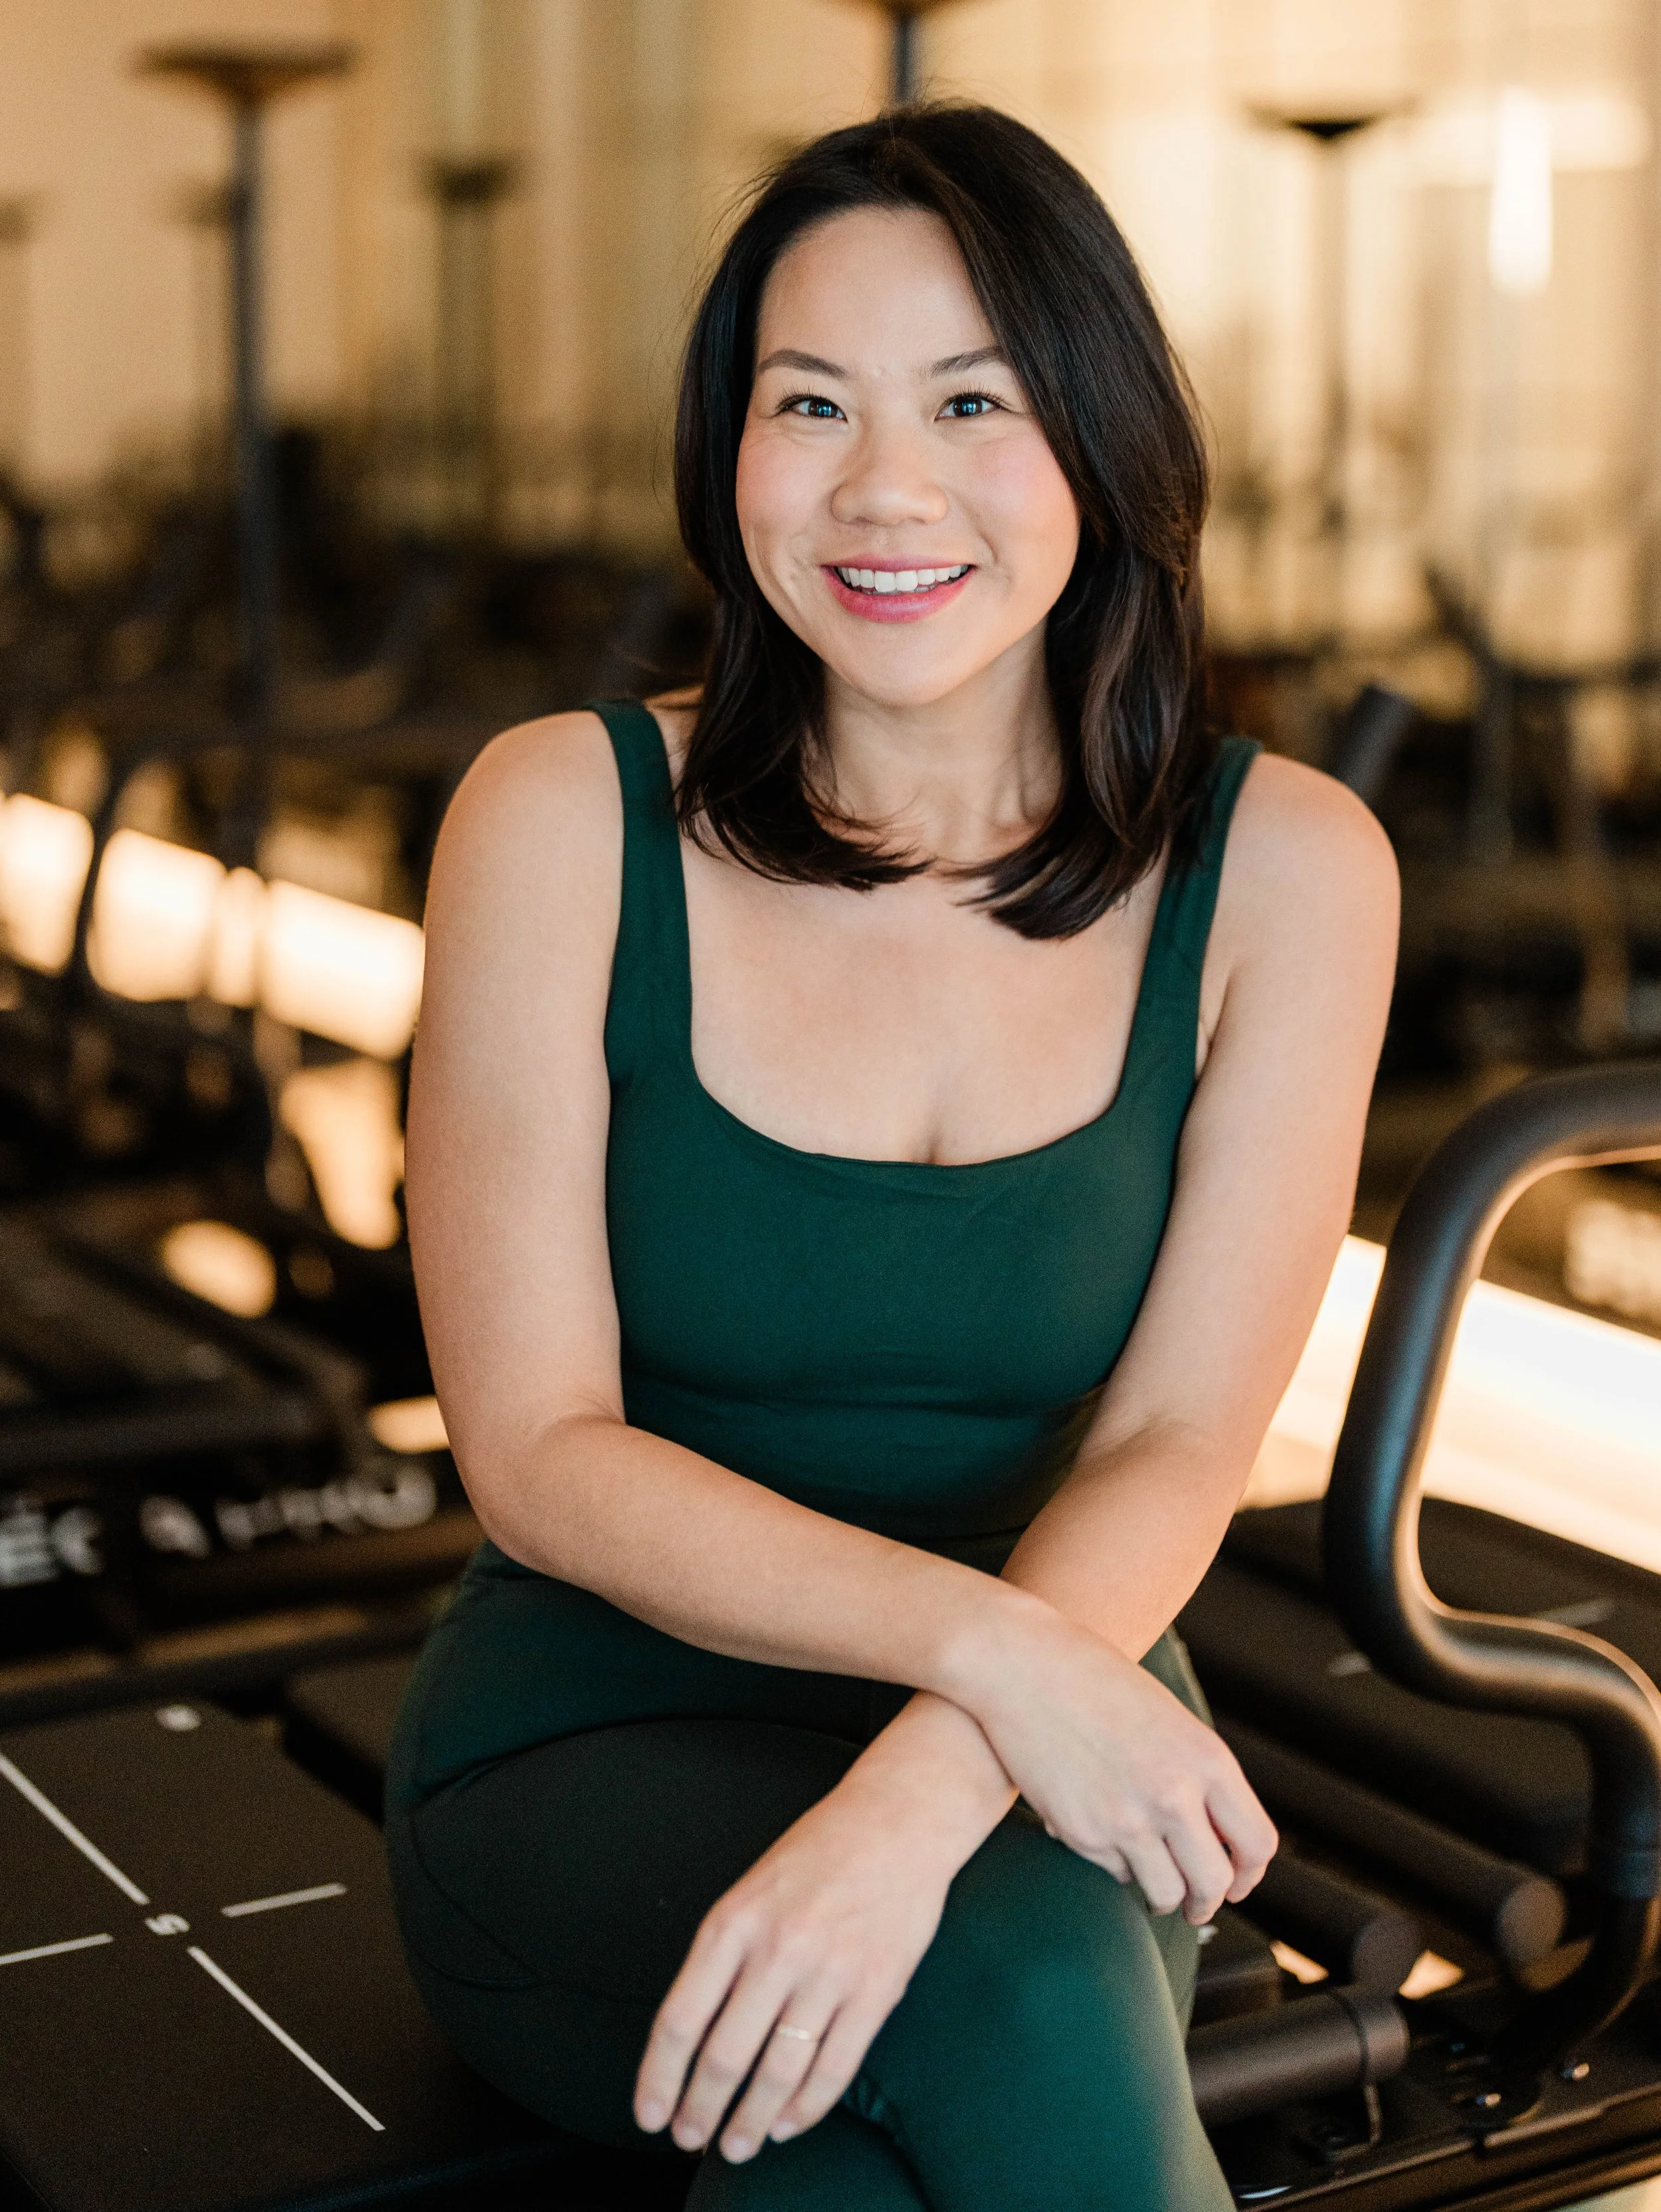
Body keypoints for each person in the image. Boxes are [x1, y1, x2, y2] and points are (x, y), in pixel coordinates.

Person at [385, 103, 1398, 2211]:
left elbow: (1178, 1436)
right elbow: (538, 1449)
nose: (883, 486)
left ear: (1103, 445)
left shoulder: (1291, 869)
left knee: (868, 2128)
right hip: (591, 1747)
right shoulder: (558, 819)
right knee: (1011, 1999)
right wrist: (997, 1664)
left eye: (971, 403)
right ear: (724, 450)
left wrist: (935, 1768)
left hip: (1056, 1747)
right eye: (808, 403)